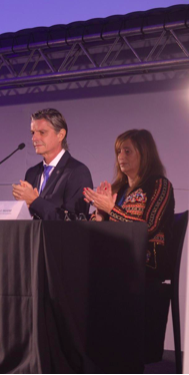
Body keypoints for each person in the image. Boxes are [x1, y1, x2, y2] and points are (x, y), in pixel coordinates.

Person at [83, 129, 175, 364]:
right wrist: (101, 213)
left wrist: (112, 209)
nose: (120, 157)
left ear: (144, 154)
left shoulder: (160, 185)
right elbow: (97, 233)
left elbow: (149, 227)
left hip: (146, 266)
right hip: (114, 264)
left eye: (127, 151)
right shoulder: (118, 189)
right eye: (118, 152)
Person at [12, 108, 92, 220]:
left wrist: (35, 201)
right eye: (33, 133)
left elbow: (75, 221)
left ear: (60, 135)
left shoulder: (78, 172)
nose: (34, 138)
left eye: (42, 132)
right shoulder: (32, 173)